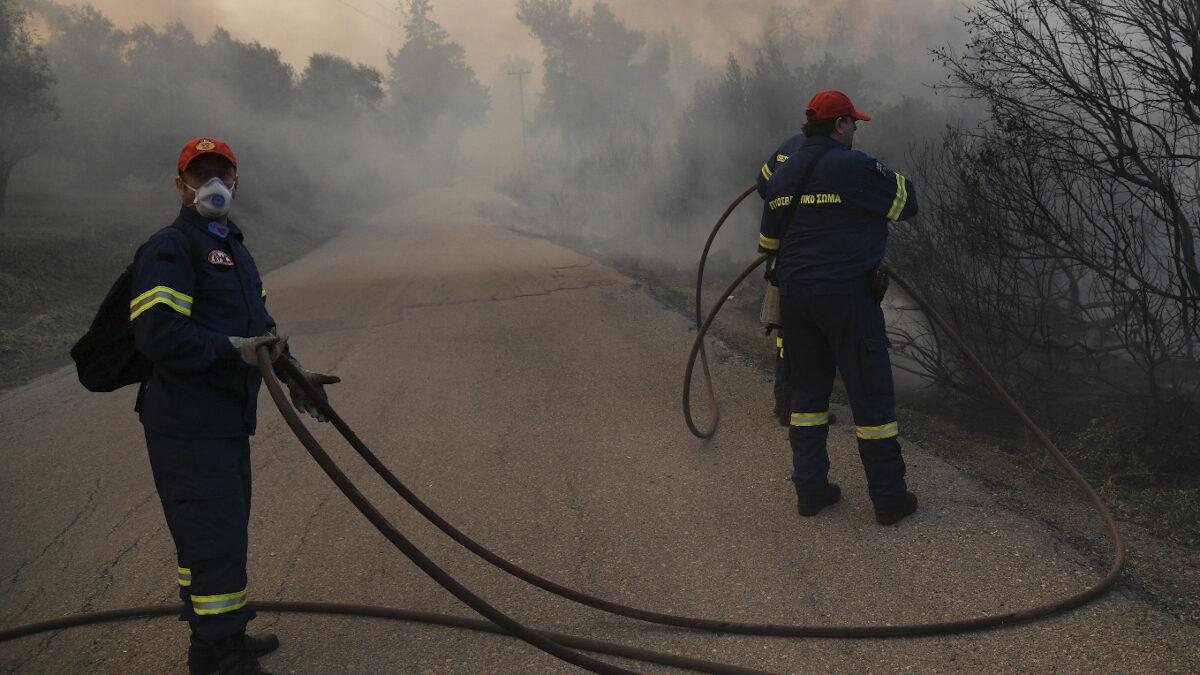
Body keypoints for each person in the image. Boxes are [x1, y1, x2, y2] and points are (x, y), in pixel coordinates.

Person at [131, 137, 341, 674]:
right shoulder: (171, 247)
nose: (212, 184)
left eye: (221, 174)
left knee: (215, 531)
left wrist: (295, 375)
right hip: (188, 422)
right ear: (180, 186)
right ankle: (223, 654)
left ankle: (212, 641)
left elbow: (260, 331)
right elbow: (157, 333)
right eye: (199, 175)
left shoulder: (233, 247)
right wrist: (232, 350)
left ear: (236, 182)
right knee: (212, 534)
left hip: (223, 418)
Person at [756, 91, 919, 525]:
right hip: (847, 296)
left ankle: (811, 492)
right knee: (870, 396)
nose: (855, 130)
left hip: (796, 298)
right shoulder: (854, 166)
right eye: (853, 123)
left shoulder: (782, 175)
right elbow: (907, 203)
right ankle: (889, 499)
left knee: (808, 397)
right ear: (840, 125)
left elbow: (768, 243)